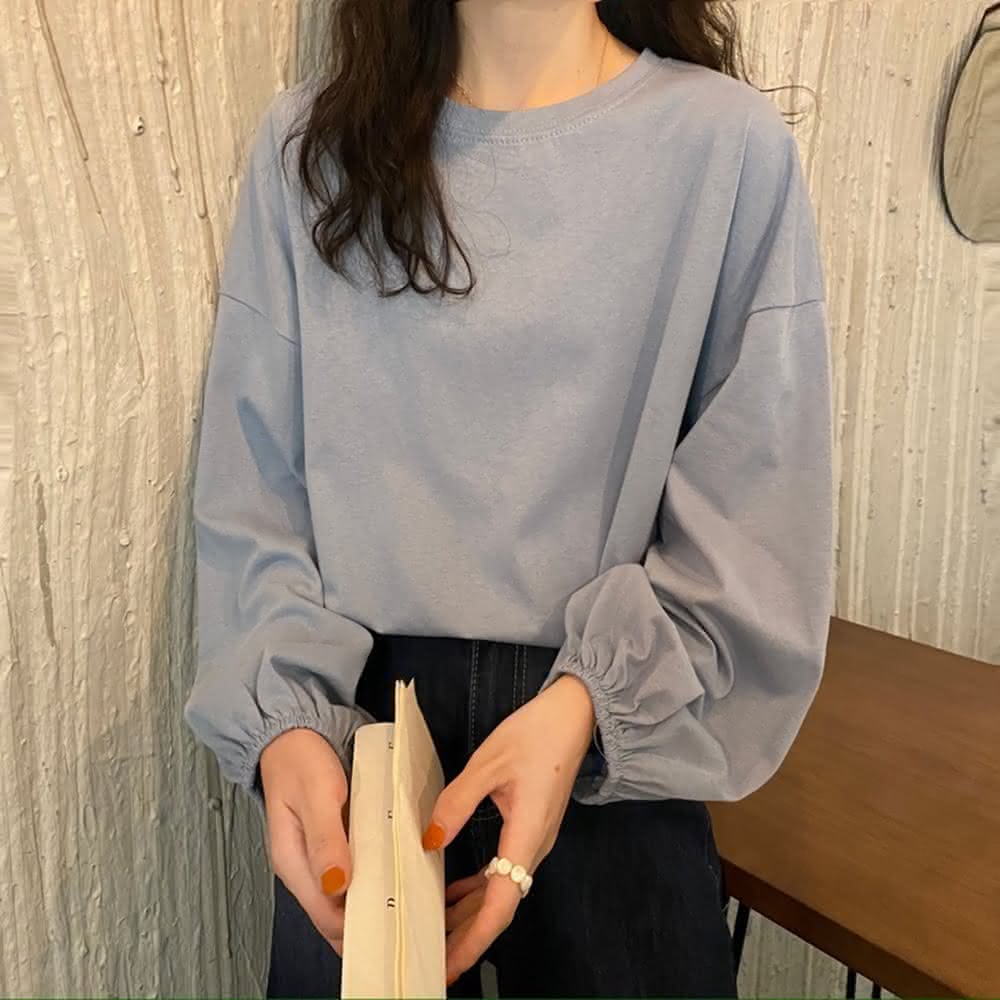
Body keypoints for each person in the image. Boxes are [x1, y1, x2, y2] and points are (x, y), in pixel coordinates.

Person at [184, 1, 834, 996]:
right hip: (361, 761)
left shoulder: (727, 149)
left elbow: (757, 520)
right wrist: (285, 727)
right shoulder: (311, 149)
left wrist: (588, 707)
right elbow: (255, 490)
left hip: (611, 751)